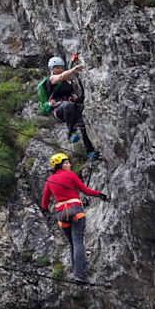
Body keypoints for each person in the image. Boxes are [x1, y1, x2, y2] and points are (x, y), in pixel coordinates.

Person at [41, 152, 107, 283]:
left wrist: (45, 210)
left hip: (61, 214)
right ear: (61, 165)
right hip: (75, 210)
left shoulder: (49, 180)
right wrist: (100, 194)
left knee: (72, 244)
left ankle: (76, 272)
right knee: (78, 243)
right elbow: (85, 190)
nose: (69, 165)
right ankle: (80, 275)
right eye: (66, 163)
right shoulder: (70, 175)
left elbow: (45, 200)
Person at [41, 55, 98, 158]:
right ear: (51, 69)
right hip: (58, 110)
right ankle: (71, 133)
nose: (60, 69)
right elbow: (61, 77)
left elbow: (68, 78)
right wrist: (74, 69)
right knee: (68, 106)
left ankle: (91, 152)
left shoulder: (67, 81)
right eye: (57, 67)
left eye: (61, 67)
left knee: (83, 126)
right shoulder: (52, 78)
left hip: (70, 107)